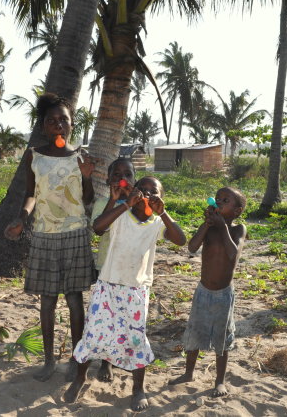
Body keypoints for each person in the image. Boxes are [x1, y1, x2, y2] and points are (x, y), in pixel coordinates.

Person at [64, 176, 186, 412]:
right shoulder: (122, 215)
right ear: (134, 193)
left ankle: (138, 388)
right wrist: (123, 203)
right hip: (108, 286)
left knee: (135, 339)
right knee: (92, 335)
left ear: (161, 198)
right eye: (144, 190)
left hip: (136, 291)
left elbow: (181, 241)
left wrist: (163, 213)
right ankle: (80, 378)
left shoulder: (157, 223)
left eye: (154, 192)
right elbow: (98, 227)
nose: (148, 195)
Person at [4, 92, 96, 382]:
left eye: (63, 120)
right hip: (44, 234)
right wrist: (22, 218)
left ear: (71, 125)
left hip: (75, 234)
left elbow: (89, 199)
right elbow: (31, 195)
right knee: (47, 300)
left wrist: (88, 176)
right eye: (52, 120)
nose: (58, 125)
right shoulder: (35, 156)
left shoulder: (80, 156)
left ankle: (76, 359)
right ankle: (47, 361)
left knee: (74, 299)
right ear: (43, 126)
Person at [168, 187, 247, 397]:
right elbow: (192, 247)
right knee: (195, 332)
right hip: (203, 291)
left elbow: (233, 255)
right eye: (218, 199)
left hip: (223, 294)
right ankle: (188, 373)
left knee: (222, 338)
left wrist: (222, 228)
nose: (219, 202)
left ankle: (219, 381)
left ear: (237, 211)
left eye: (225, 200)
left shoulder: (238, 229)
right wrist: (207, 224)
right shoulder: (210, 227)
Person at [90, 157, 136, 383]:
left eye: (127, 174)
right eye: (116, 175)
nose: (122, 179)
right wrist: (114, 201)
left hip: (132, 270)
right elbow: (99, 229)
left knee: (128, 316)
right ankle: (106, 362)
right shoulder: (103, 203)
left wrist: (133, 202)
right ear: (108, 180)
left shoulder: (140, 204)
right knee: (108, 317)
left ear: (134, 179)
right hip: (108, 269)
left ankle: (124, 358)